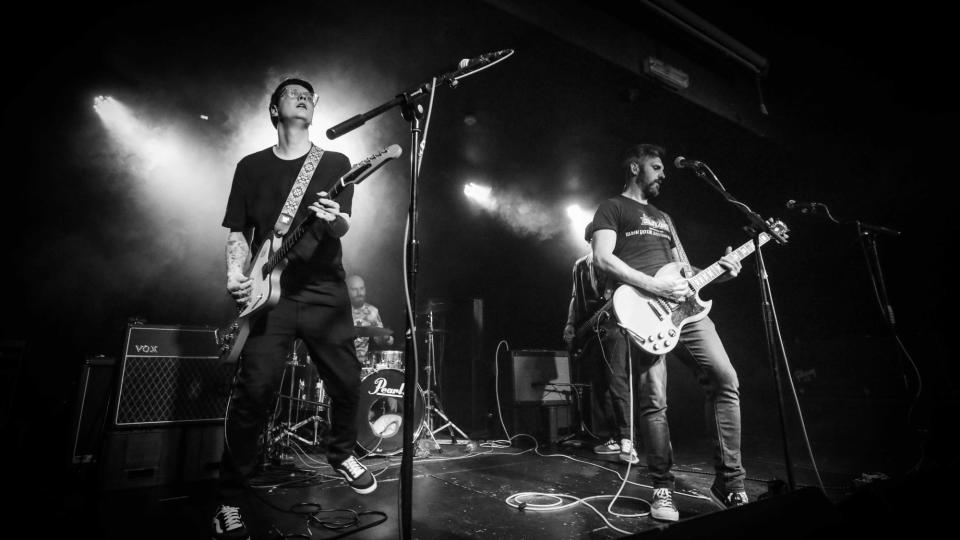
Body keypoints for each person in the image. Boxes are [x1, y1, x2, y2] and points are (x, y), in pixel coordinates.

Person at [213, 78, 375, 540]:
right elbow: (238, 232)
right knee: (253, 395)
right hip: (270, 296)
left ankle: (341, 451)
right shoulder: (250, 167)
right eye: (292, 92)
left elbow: (343, 224)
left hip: (324, 291)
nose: (304, 96)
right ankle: (227, 501)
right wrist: (234, 275)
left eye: (309, 94)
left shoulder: (336, 163)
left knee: (346, 381)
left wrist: (334, 218)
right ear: (274, 109)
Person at [586, 144, 748, 522]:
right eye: (656, 167)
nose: (663, 173)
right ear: (633, 167)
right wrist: (655, 288)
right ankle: (662, 488)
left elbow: (686, 273)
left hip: (686, 311)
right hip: (642, 309)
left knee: (726, 380)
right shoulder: (612, 207)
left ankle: (729, 481)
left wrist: (721, 272)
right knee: (654, 400)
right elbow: (603, 258)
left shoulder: (664, 217)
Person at [562, 253, 620, 456]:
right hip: (590, 331)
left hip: (615, 327)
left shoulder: (617, 259)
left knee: (617, 382)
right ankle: (615, 437)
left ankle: (627, 437)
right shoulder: (579, 265)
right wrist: (570, 323)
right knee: (599, 385)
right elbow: (575, 297)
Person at [347, 274, 394, 367]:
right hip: (339, 362)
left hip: (361, 365)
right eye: (354, 289)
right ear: (346, 290)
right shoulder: (338, 310)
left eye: (361, 288)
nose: (359, 292)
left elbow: (380, 340)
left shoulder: (371, 311)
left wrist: (386, 337)